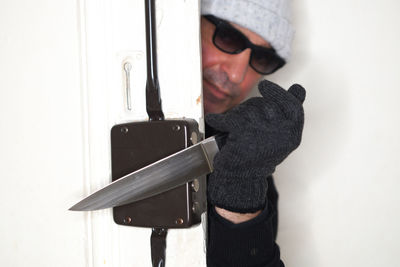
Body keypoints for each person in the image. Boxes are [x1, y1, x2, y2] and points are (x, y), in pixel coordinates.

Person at [200, 0, 306, 266]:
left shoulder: (252, 167)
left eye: (261, 58)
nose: (237, 75)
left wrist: (241, 193)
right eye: (228, 38)